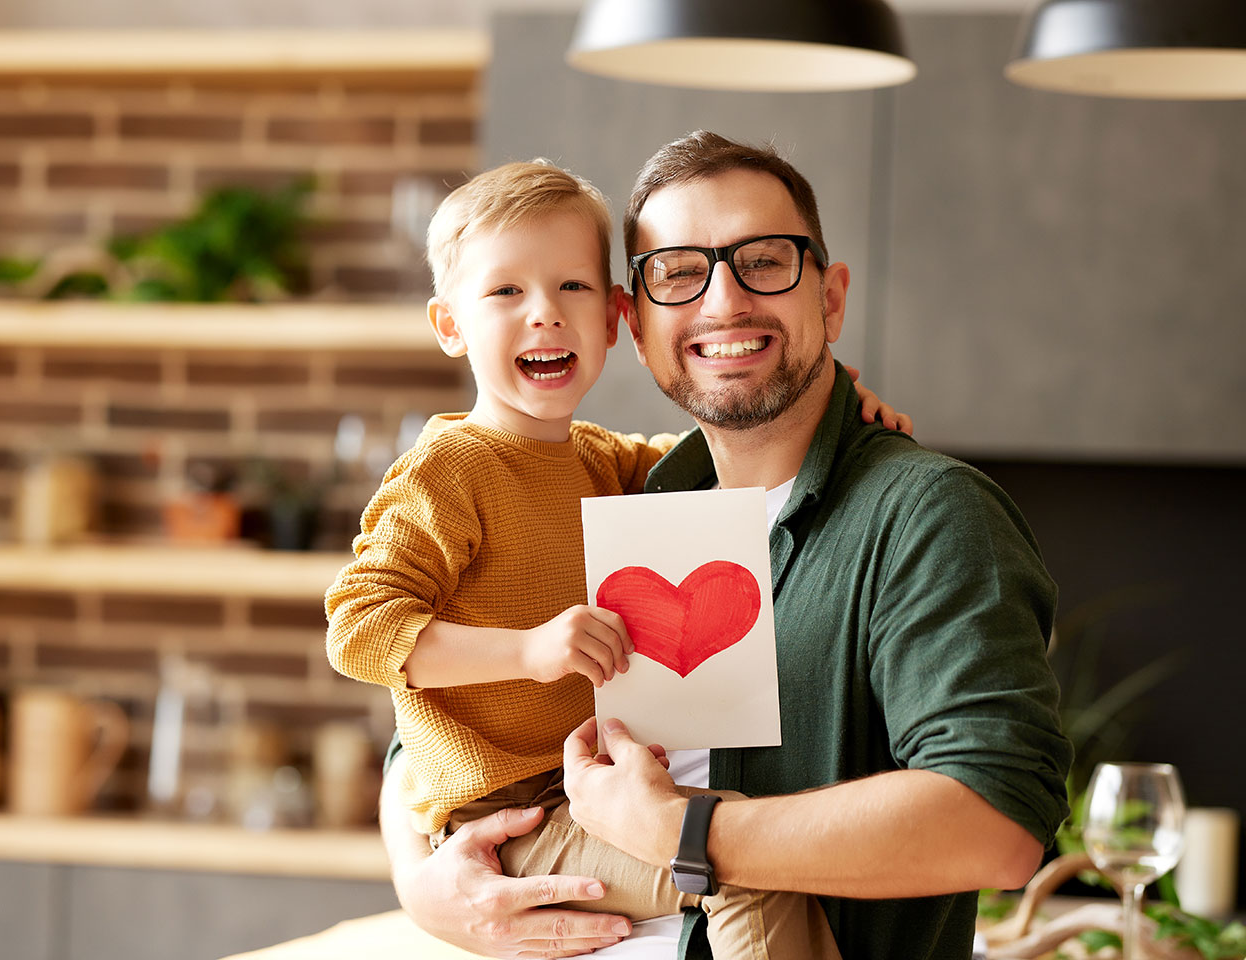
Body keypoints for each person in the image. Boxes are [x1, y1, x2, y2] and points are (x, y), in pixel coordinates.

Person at [378, 132, 1073, 960]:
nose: (724, 303)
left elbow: (996, 826)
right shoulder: (626, 494)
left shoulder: (925, 515)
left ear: (831, 298)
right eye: (679, 272)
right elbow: (431, 714)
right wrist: (422, 882)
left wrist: (686, 829)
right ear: (630, 322)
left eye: (766, 262)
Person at [326, 159, 906, 959]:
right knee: (736, 863)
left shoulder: (604, 463)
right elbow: (359, 628)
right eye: (505, 293)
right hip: (515, 818)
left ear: (614, 322)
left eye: (573, 288)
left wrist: (837, 396)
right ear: (449, 324)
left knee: (742, 843)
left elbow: (742, 445)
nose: (545, 317)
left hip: (586, 790)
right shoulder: (447, 471)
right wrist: (529, 652)